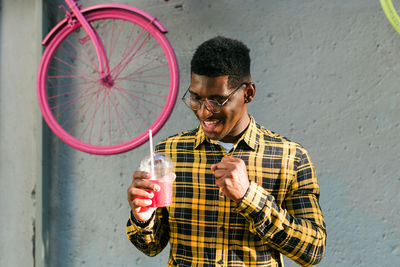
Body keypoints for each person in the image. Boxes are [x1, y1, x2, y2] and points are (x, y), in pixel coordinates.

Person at [126, 36, 326, 266]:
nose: (204, 112)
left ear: (248, 94)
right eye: (195, 98)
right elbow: (150, 246)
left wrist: (248, 197)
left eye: (217, 100)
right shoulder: (168, 154)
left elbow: (313, 251)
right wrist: (143, 217)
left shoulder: (291, 158)